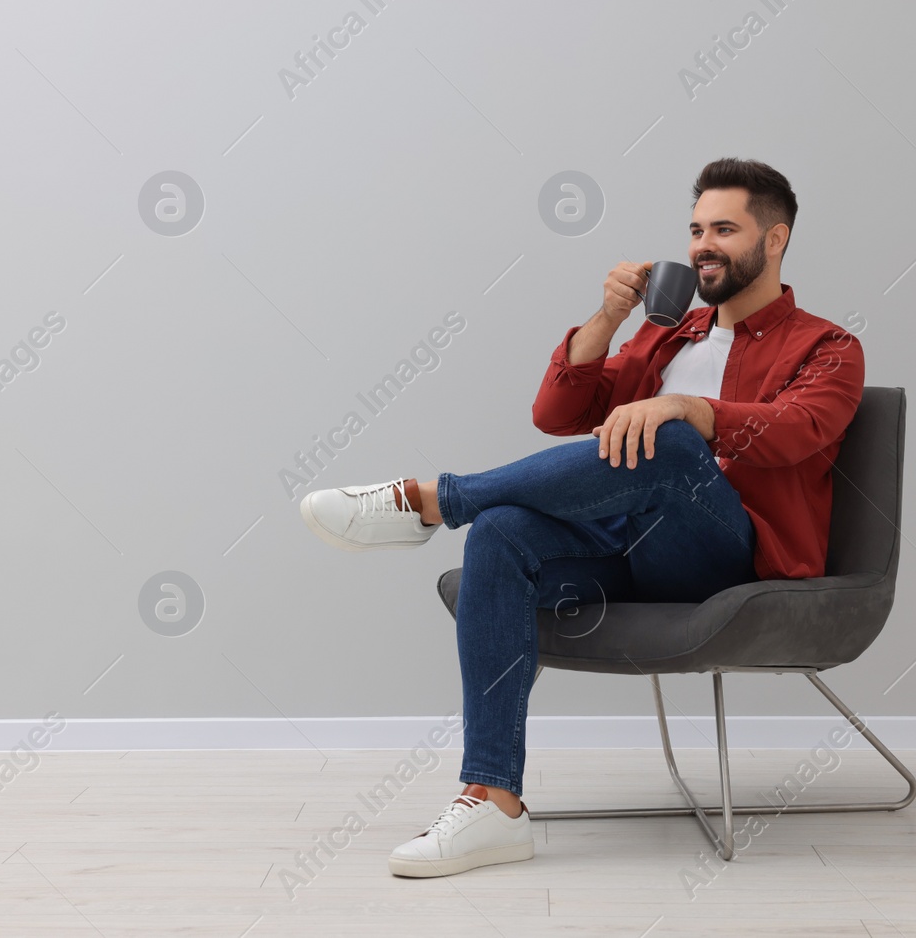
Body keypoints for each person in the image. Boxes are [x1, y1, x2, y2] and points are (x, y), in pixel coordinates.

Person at [299, 157, 865, 878]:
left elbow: (795, 428)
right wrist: (609, 317)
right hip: (628, 550)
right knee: (501, 533)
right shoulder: (670, 336)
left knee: (668, 437)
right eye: (695, 230)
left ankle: (432, 500)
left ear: (775, 239)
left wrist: (686, 410)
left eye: (725, 228)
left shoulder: (828, 347)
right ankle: (492, 800)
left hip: (730, 560)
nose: (703, 246)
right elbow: (557, 413)